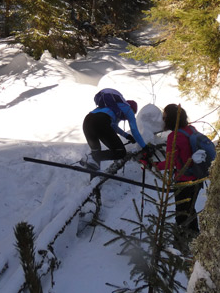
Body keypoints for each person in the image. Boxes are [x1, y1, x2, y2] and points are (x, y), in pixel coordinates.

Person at [149, 104, 202, 239]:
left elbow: (169, 162)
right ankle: (196, 239)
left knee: (181, 214)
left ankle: (182, 245)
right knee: (190, 210)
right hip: (198, 177)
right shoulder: (191, 129)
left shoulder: (174, 136)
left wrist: (152, 165)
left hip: (184, 181)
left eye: (164, 117)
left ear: (170, 119)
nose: (163, 119)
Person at [81, 88, 148, 171]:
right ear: (133, 109)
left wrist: (127, 136)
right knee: (120, 152)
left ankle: (94, 177)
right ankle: (91, 157)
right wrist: (145, 147)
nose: (128, 118)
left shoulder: (113, 108)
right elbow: (134, 130)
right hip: (100, 121)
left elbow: (113, 126)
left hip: (87, 122)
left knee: (95, 156)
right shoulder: (129, 109)